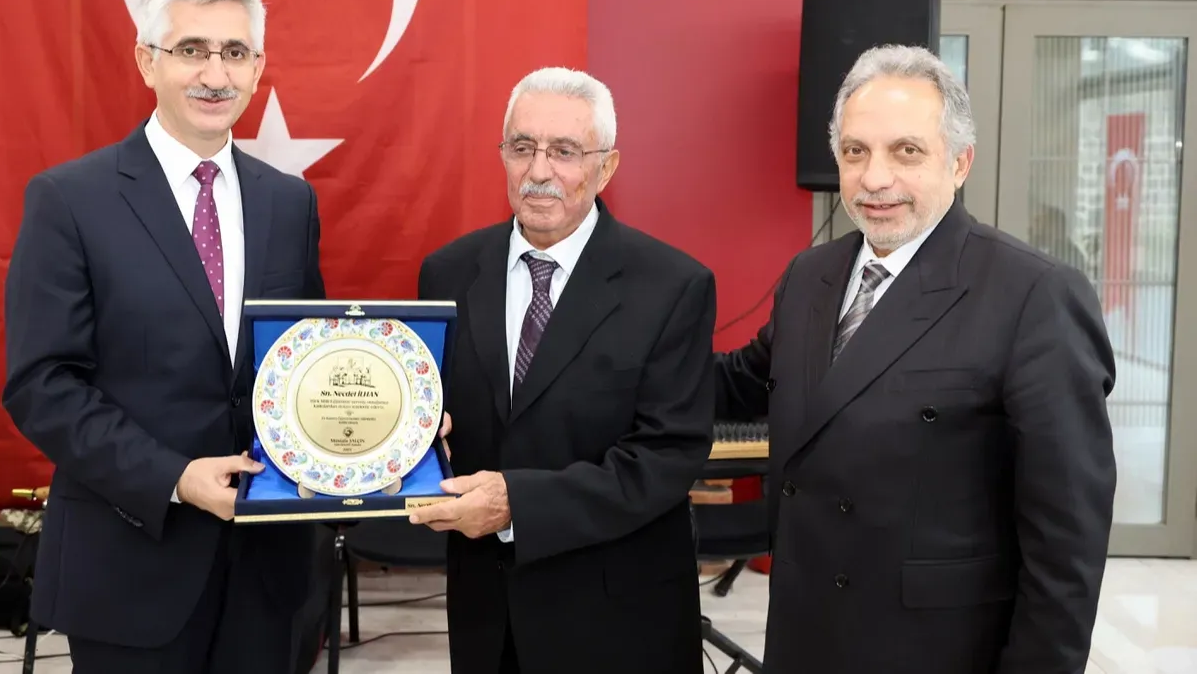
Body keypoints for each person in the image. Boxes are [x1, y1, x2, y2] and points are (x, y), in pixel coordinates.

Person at [716, 44, 1116, 673]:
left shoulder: (1034, 295)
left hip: (933, 649)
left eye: (906, 151)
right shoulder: (810, 275)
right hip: (805, 634)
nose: (875, 179)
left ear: (960, 162)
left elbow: (1066, 544)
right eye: (856, 152)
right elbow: (746, 380)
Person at [2, 0, 327, 674]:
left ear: (258, 68)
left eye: (234, 52)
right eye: (191, 50)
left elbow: (304, 360)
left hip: (267, 572)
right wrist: (174, 477)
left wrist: (388, 425)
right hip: (130, 563)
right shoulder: (69, 200)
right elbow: (42, 384)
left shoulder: (289, 202)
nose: (215, 74)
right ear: (147, 61)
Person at [410, 67, 717, 674]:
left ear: (607, 168)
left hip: (617, 619)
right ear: (502, 155)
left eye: (565, 152)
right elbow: (434, 413)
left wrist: (518, 504)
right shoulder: (447, 272)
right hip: (486, 612)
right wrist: (412, 437)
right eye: (522, 147)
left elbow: (666, 457)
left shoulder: (672, 286)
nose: (539, 170)